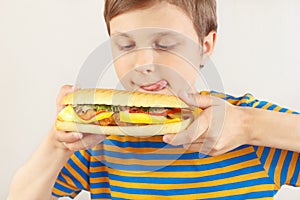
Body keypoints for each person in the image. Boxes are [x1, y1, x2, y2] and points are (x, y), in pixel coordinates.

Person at [8, 0, 300, 199]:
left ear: (205, 46)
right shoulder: (99, 138)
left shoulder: (250, 128)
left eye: (166, 44)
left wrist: (250, 125)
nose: (144, 62)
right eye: (125, 45)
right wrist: (57, 145)